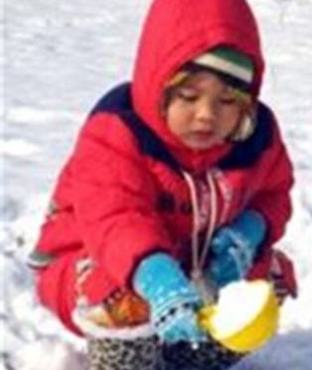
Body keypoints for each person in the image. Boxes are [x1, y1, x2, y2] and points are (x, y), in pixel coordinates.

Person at [28, 0, 297, 369]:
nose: (207, 114)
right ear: (159, 85)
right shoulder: (117, 133)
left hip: (190, 259)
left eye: (227, 101)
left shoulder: (255, 138)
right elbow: (115, 219)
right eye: (189, 96)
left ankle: (192, 354)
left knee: (269, 276)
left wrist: (249, 232)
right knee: (122, 294)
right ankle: (128, 361)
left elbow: (274, 192)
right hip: (98, 258)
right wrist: (156, 277)